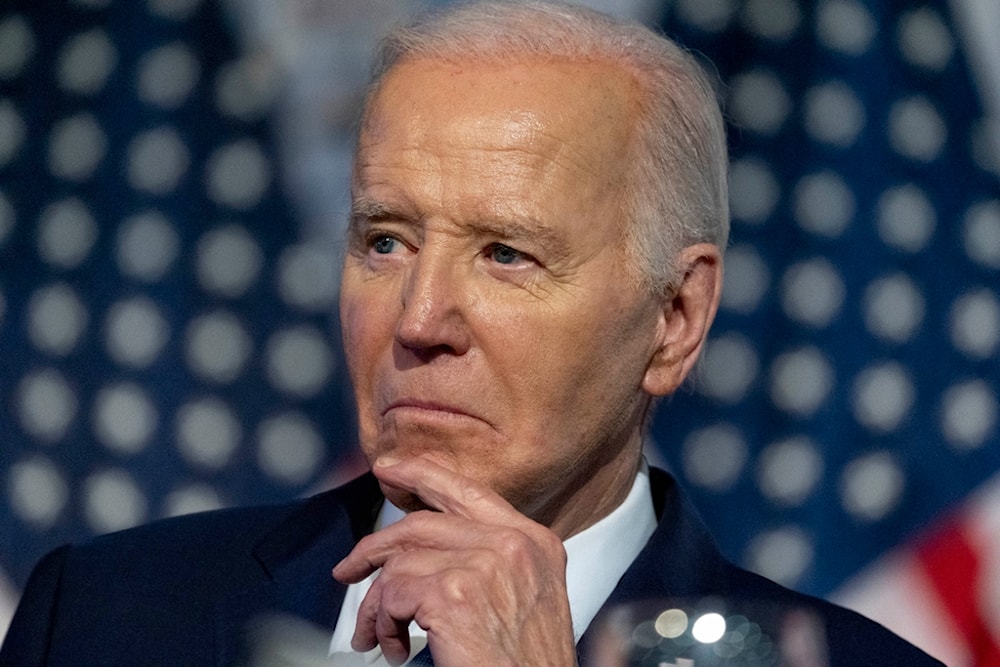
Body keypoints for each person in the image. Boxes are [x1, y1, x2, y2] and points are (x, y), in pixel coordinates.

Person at [1, 2, 942, 665]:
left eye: (506, 254)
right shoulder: (101, 612)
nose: (417, 321)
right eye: (384, 240)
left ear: (674, 317)